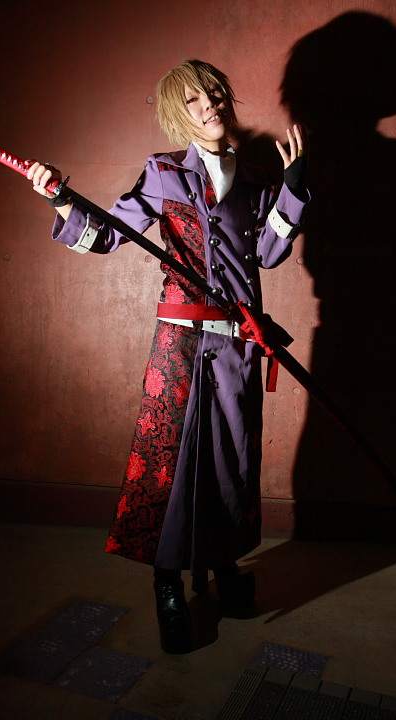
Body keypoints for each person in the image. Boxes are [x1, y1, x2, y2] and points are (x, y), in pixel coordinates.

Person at [27, 59, 308, 654]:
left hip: (238, 344)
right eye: (194, 101)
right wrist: (60, 199)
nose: (209, 106)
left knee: (231, 459)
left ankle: (223, 561)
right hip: (179, 343)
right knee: (173, 463)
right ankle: (167, 583)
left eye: (214, 94)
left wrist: (293, 188)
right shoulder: (163, 173)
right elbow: (107, 234)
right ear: (178, 116)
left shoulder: (258, 177)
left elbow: (269, 253)